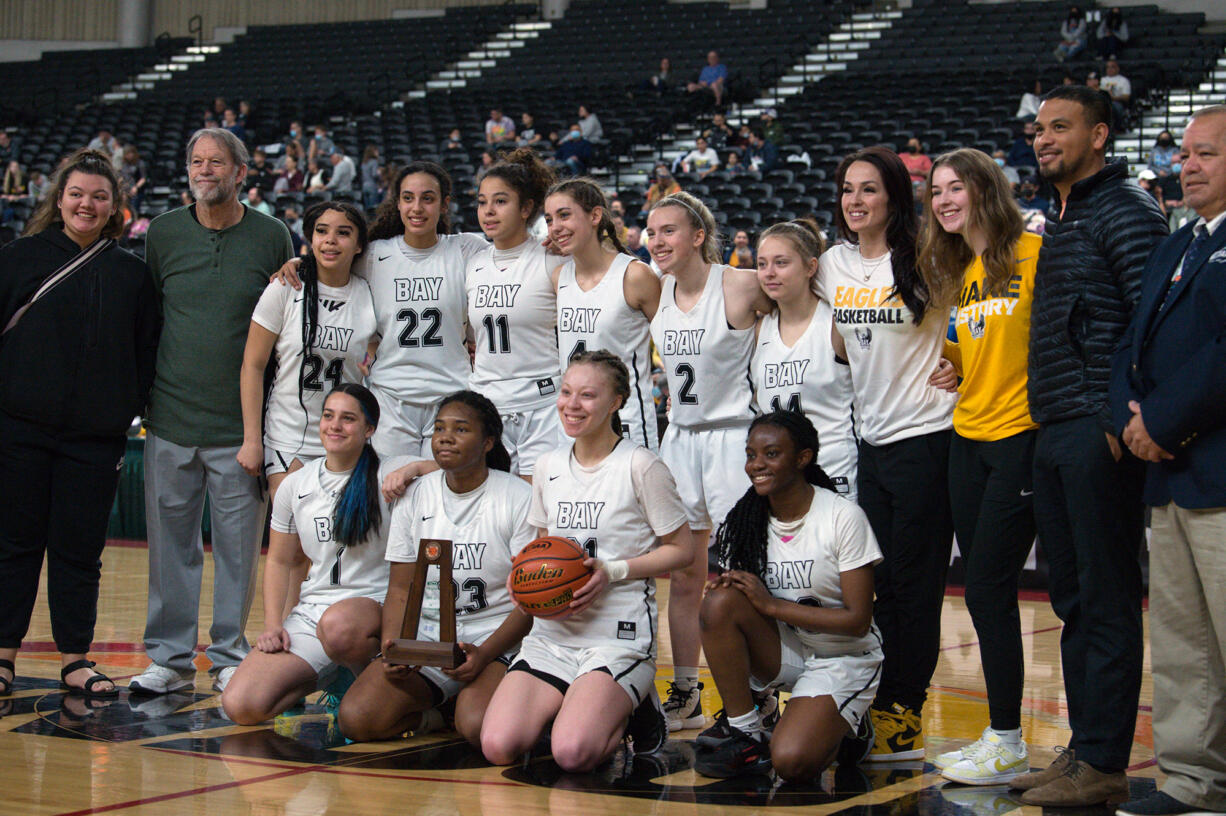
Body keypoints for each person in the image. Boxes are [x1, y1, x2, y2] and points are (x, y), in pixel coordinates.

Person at [1012, 84, 1168, 807]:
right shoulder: (1067, 215)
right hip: (1057, 427)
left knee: (1103, 600)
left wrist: (1121, 415)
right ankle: (1083, 751)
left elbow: (1152, 316)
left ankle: (1105, 761)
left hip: (1093, 431)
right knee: (1072, 598)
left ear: (1100, 135)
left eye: (1061, 127)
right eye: (1039, 129)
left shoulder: (1126, 208)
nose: (1043, 139)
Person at [130, 128, 294, 696]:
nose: (206, 170)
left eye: (217, 162)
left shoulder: (272, 236)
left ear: (240, 171)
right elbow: (151, 319)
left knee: (237, 552)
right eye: (196, 160)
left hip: (240, 429)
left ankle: (228, 652)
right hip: (170, 419)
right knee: (170, 550)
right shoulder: (164, 233)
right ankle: (170, 661)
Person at [480, 351, 694, 770]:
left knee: (573, 753)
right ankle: (579, 704)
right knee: (498, 745)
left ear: (616, 402)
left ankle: (636, 709)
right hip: (552, 637)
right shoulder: (548, 465)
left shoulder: (641, 465)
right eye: (565, 392)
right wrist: (523, 578)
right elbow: (541, 546)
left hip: (618, 637)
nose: (571, 405)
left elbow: (683, 550)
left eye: (588, 395)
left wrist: (614, 570)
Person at [0, 149, 159, 700]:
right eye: (77, 194)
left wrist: (121, 410)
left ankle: (74, 658)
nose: (86, 204)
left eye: (98, 195)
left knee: (78, 550)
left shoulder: (132, 274)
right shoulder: (18, 258)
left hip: (95, 440)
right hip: (18, 430)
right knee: (14, 544)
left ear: (115, 205)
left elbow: (145, 355)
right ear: (59, 199)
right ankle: (2, 656)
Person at [816, 146, 957, 761]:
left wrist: (962, 366)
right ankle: (875, 694)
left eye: (869, 190)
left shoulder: (929, 256)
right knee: (877, 583)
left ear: (895, 198)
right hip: (869, 440)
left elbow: (980, 317)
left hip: (929, 437)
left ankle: (905, 709)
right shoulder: (830, 264)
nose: (855, 201)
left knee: (916, 584)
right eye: (848, 189)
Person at [1109, 105, 1226, 816]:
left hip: (1215, 466)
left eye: (1207, 153)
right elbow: (1130, 345)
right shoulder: (1177, 244)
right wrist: (1131, 418)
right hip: (1171, 475)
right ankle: (1193, 779)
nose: (1188, 165)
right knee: (1183, 645)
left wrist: (1160, 421)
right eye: (1185, 153)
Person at [917, 148, 1041, 785]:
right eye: (935, 192)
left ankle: (1008, 738)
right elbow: (967, 351)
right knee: (982, 593)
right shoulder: (963, 271)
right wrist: (954, 367)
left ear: (985, 188)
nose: (942, 201)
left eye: (954, 187)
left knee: (991, 585)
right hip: (967, 438)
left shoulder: (1034, 254)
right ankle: (1002, 736)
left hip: (1020, 439)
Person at [693, 412, 882, 779]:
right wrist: (731, 591)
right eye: (751, 455)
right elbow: (736, 606)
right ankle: (746, 731)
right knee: (718, 604)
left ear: (802, 458)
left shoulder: (842, 517)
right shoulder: (746, 519)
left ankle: (850, 727)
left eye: (771, 454)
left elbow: (858, 622)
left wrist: (771, 605)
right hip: (790, 647)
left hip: (843, 656)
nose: (757, 465)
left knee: (792, 761)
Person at [338, 391, 534, 746]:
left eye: (461, 429)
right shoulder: (416, 495)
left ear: (488, 441)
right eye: (439, 428)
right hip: (431, 640)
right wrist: (394, 647)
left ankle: (486, 705)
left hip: (496, 640)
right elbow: (399, 589)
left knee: (477, 727)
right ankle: (437, 716)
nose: (445, 436)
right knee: (357, 720)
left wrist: (486, 653)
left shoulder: (517, 497)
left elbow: (529, 603)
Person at [647, 191, 774, 731]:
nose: (657, 242)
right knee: (682, 574)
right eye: (651, 232)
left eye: (669, 231)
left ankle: (759, 694)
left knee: (740, 573)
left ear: (698, 235)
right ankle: (685, 689)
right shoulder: (653, 292)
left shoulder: (740, 283)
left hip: (732, 440)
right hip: (679, 438)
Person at [220, 385, 393, 724]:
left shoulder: (388, 473)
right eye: (329, 416)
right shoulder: (295, 484)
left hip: (373, 608)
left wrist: (413, 471)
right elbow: (280, 561)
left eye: (348, 419)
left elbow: (443, 466)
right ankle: (330, 674)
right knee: (241, 704)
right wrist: (272, 625)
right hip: (313, 613)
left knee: (339, 627)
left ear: (369, 429)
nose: (335, 426)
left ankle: (359, 675)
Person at [237, 200, 376, 508]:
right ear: (310, 238)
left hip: (345, 438)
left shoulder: (369, 293)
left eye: (343, 233)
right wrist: (251, 439)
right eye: (321, 231)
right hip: (288, 437)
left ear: (358, 246)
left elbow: (376, 352)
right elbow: (253, 365)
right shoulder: (286, 287)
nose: (330, 240)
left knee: (337, 547)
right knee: (291, 548)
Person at [468, 149, 563, 478]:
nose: (488, 211)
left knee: (541, 509)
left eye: (500, 201)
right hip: (488, 405)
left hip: (543, 405)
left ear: (526, 208)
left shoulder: (552, 258)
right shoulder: (472, 262)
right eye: (482, 202)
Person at [546, 177, 661, 451]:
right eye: (549, 219)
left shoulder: (634, 275)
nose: (555, 227)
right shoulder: (558, 278)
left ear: (595, 215)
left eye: (564, 215)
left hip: (625, 420)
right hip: (574, 419)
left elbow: (671, 341)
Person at [752, 219, 857, 501]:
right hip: (781, 478)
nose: (769, 273)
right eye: (762, 264)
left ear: (811, 267)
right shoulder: (761, 330)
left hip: (833, 469)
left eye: (781, 263)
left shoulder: (835, 323)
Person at [1101, 60, 1132, 133]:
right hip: (1103, 102)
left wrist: (1113, 98)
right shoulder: (1102, 80)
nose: (1110, 69)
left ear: (1118, 68)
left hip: (1117, 102)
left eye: (1112, 67)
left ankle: (1116, 128)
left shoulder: (1123, 80)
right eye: (1108, 67)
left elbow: (1126, 97)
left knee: (1114, 107)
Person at [360, 146, 381, 210]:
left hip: (364, 186)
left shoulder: (364, 163)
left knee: (367, 209)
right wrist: (379, 174)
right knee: (373, 209)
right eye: (376, 151)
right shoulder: (374, 162)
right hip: (372, 186)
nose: (378, 153)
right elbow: (374, 174)